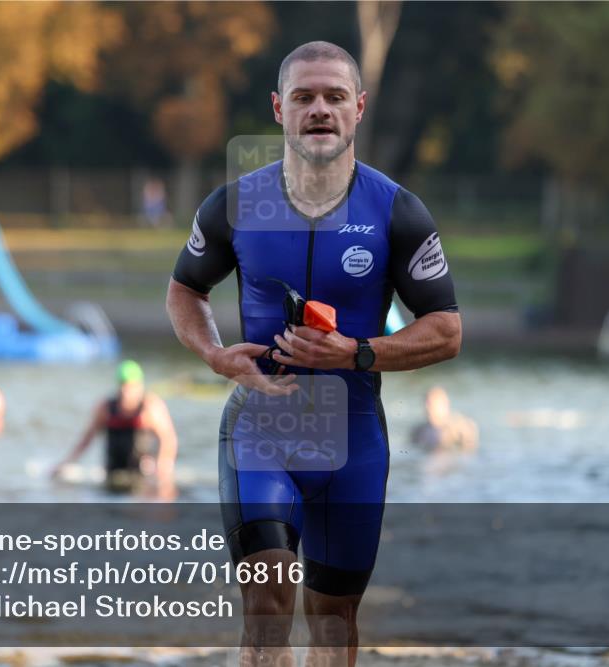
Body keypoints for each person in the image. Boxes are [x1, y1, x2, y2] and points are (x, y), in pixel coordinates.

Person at [165, 41, 461, 666]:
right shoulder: (234, 205)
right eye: (304, 97)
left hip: (353, 442)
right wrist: (215, 355)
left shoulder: (397, 211)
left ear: (358, 108)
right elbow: (184, 291)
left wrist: (356, 353)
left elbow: (445, 330)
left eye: (333, 97)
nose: (319, 109)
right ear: (279, 109)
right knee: (267, 605)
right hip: (259, 432)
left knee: (333, 622)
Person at [53, 360, 178, 498]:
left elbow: (168, 439)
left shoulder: (150, 407)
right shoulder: (106, 407)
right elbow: (86, 439)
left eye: (130, 386)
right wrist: (66, 463)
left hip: (143, 472)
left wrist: (163, 468)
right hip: (113, 471)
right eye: (122, 385)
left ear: (139, 386)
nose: (125, 391)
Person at [410, 386, 478, 453]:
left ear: (445, 405)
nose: (427, 407)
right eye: (426, 403)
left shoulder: (459, 429)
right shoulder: (418, 431)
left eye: (431, 403)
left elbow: (469, 453)